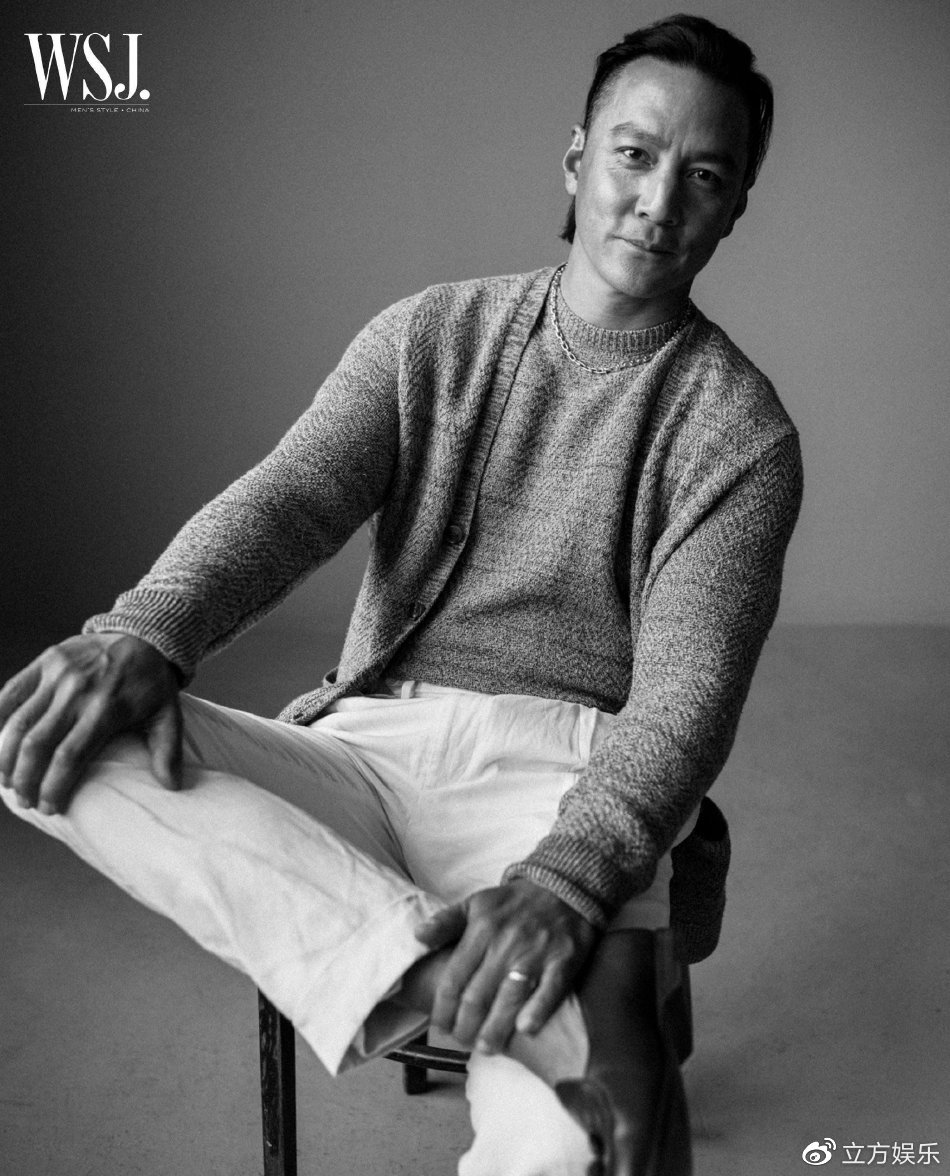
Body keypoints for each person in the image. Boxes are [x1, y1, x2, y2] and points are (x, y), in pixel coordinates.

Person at [0, 14, 801, 1176]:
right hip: (368, 752)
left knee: (569, 1152)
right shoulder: (432, 334)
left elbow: (686, 698)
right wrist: (144, 634)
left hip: (564, 781)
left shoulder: (738, 432)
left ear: (732, 211)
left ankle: (480, 981)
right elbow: (288, 502)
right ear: (576, 161)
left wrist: (568, 878)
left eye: (705, 177)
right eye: (633, 154)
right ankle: (433, 973)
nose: (657, 200)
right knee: (52, 735)